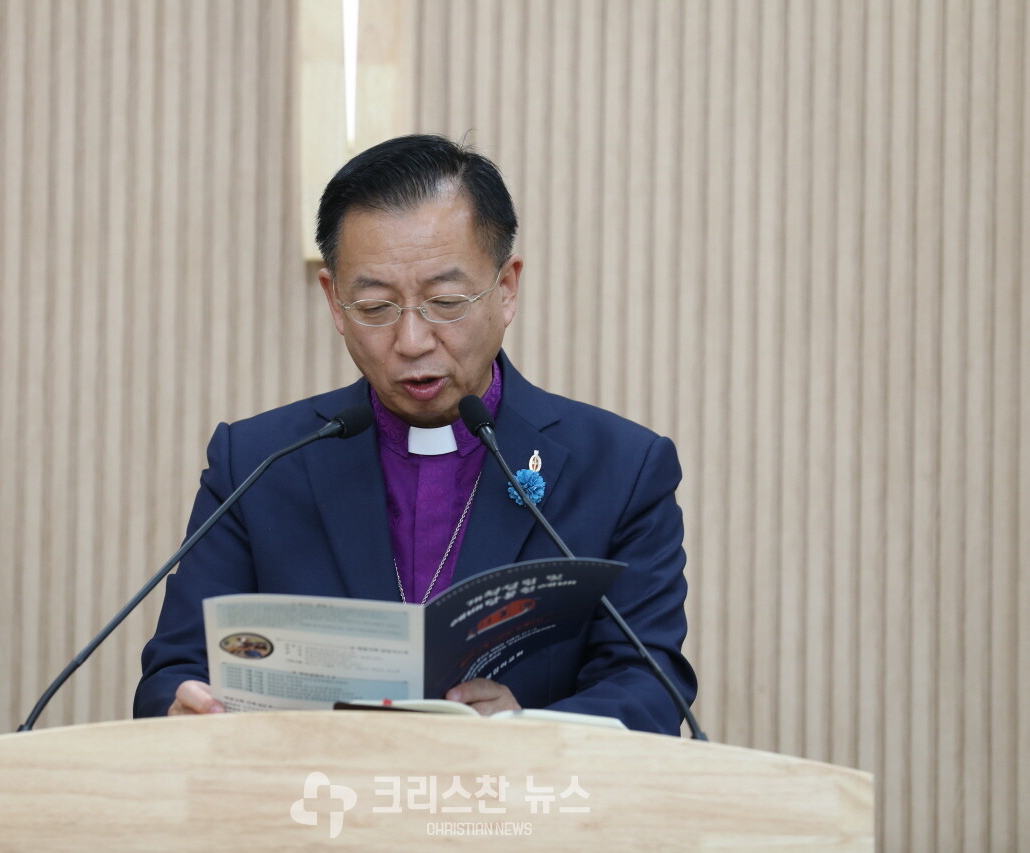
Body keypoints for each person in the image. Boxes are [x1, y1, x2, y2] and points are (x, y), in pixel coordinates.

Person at [134, 134, 696, 733]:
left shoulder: (620, 468)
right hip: (313, 808)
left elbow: (648, 686)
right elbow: (175, 671)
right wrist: (182, 705)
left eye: (446, 302)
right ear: (334, 301)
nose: (411, 341)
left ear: (506, 289)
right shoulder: (258, 463)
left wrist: (528, 732)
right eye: (375, 308)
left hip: (519, 817)